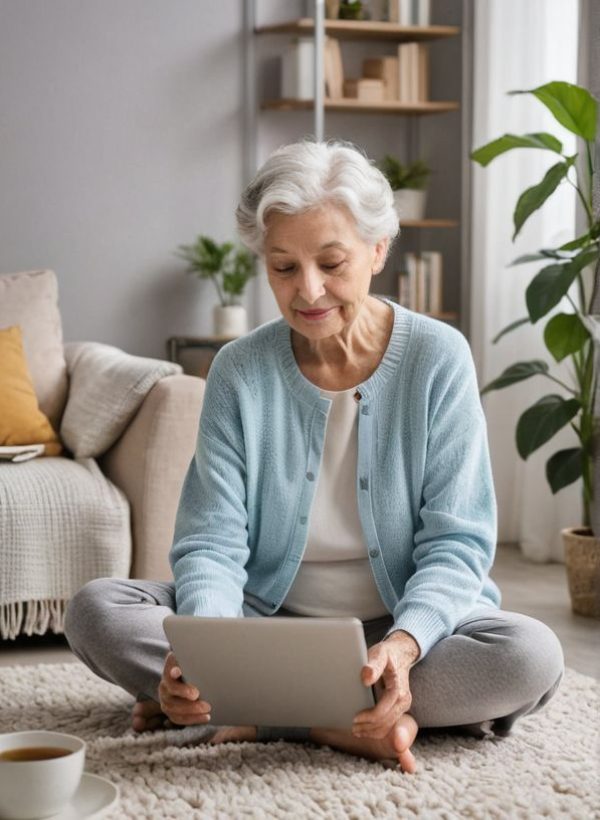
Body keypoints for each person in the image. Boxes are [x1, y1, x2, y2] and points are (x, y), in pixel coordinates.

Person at [65, 140, 564, 774]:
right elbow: (212, 542)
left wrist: (407, 644)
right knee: (96, 610)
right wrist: (208, 654)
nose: (308, 291)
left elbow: (458, 542)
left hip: (396, 634)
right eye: (283, 267)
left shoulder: (438, 357)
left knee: (528, 655)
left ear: (378, 250)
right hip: (261, 626)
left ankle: (255, 714)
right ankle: (341, 720)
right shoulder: (238, 370)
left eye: (332, 263)